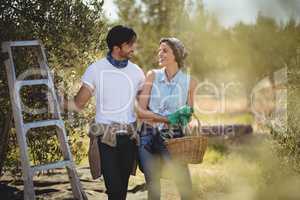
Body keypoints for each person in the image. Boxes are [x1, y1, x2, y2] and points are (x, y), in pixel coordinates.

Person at [64, 25, 145, 200]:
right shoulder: (96, 69)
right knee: (114, 189)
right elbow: (78, 104)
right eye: (130, 44)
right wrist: (56, 102)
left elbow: (144, 105)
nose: (133, 48)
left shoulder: (137, 72)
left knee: (121, 191)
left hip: (129, 138)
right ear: (117, 47)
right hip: (106, 139)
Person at [137, 37, 197, 200]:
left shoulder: (190, 82)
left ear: (176, 55)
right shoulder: (152, 76)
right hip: (148, 137)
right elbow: (141, 111)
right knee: (154, 188)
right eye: (159, 50)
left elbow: (188, 114)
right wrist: (168, 118)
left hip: (174, 139)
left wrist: (184, 116)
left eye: (165, 50)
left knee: (185, 188)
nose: (160, 53)